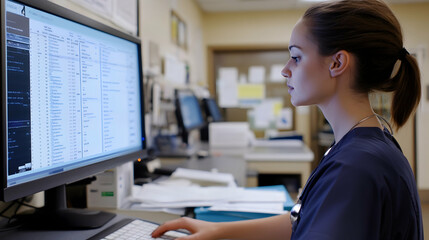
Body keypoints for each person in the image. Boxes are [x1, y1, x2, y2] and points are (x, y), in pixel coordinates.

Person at [151, 0, 423, 239]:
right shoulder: (367, 142)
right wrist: (218, 231)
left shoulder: (355, 167)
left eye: (296, 57)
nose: (285, 70)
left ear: (337, 63)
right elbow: (304, 221)